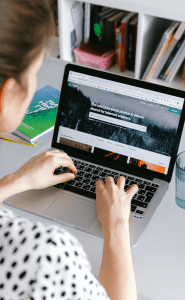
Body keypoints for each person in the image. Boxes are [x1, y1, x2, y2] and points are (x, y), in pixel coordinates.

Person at [0, 1, 138, 299]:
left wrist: (16, 181)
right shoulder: (44, 256)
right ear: (8, 92)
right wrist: (115, 224)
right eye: (36, 71)